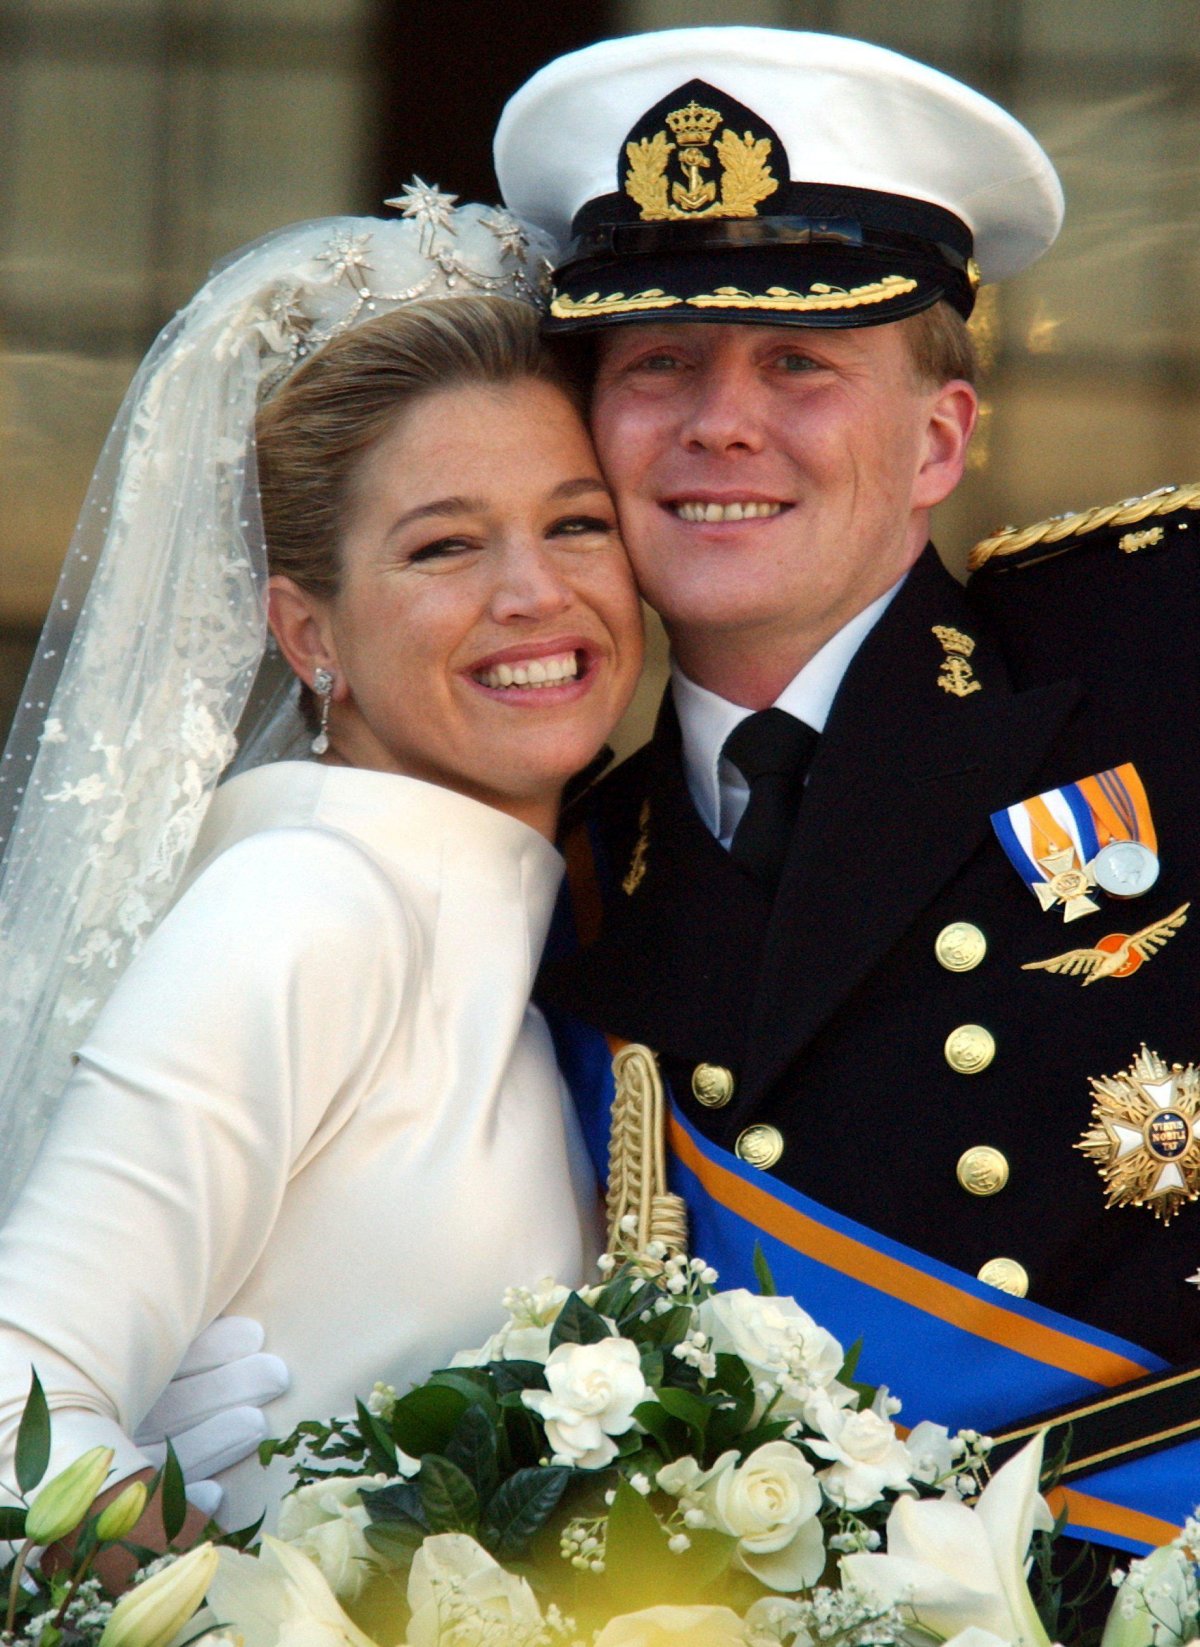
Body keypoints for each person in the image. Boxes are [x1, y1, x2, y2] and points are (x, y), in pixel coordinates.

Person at [492, 27, 1200, 1556]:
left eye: (799, 363)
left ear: (939, 439)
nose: (720, 422)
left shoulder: (1161, 668)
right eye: (658, 364)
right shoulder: (561, 873)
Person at [0, 199, 644, 1533]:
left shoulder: (548, 923)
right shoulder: (304, 908)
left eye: (578, 523)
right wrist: (233, 1583)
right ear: (309, 633)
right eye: (444, 545)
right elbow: (16, 1410)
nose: (533, 592)